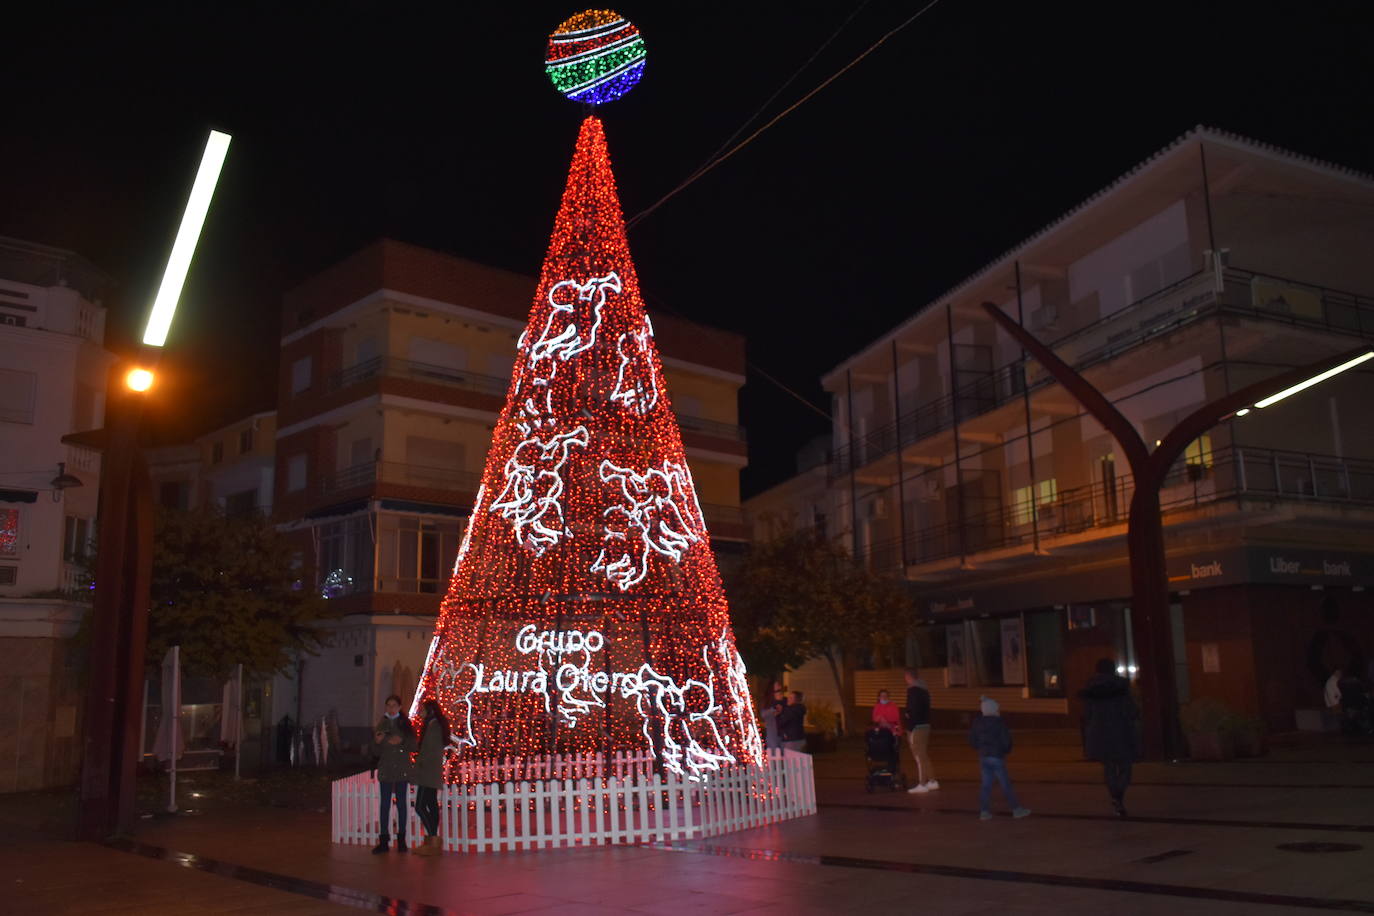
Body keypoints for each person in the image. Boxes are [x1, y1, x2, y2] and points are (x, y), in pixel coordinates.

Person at [1080, 658, 1140, 817]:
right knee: (1126, 765)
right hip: (1121, 730)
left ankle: (1115, 794)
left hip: (1100, 731)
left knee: (1108, 765)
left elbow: (1087, 714)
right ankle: (1119, 794)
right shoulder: (1122, 686)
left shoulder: (1090, 688)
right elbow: (1131, 710)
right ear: (1113, 670)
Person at [969, 696, 1030, 820]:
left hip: (983, 756)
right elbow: (1006, 741)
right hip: (997, 757)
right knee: (1005, 784)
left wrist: (979, 748)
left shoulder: (977, 722)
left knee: (986, 785)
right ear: (995, 710)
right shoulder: (999, 723)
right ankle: (1016, 809)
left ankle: (984, 812)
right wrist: (1005, 751)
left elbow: (972, 740)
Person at [371, 694, 415, 854]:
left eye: (393, 705)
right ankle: (384, 839)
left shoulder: (405, 723)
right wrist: (376, 743)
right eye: (388, 705)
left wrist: (402, 741)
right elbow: (375, 751)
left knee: (402, 804)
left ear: (399, 707)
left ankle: (401, 839)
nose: (390, 708)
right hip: (387, 769)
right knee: (384, 805)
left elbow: (414, 745)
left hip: (402, 769)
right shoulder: (381, 724)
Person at [412, 698, 450, 856]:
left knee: (420, 806)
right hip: (432, 772)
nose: (420, 712)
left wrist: (418, 763)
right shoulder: (435, 726)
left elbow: (429, 751)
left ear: (430, 711)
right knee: (431, 804)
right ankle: (433, 841)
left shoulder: (433, 727)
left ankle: (432, 838)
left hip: (427, 772)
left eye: (423, 709)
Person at [903, 668, 939, 793]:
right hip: (925, 725)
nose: (905, 679)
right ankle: (932, 781)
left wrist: (909, 722)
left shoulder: (913, 691)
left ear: (909, 676)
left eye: (905, 677)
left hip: (916, 727)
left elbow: (912, 710)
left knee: (918, 756)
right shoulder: (925, 690)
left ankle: (922, 784)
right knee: (923, 754)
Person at [760, 682, 784, 752]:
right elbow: (763, 714)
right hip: (772, 733)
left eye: (780, 691)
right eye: (777, 691)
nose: (779, 693)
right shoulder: (768, 702)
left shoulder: (784, 701)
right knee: (774, 752)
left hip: (783, 733)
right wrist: (773, 710)